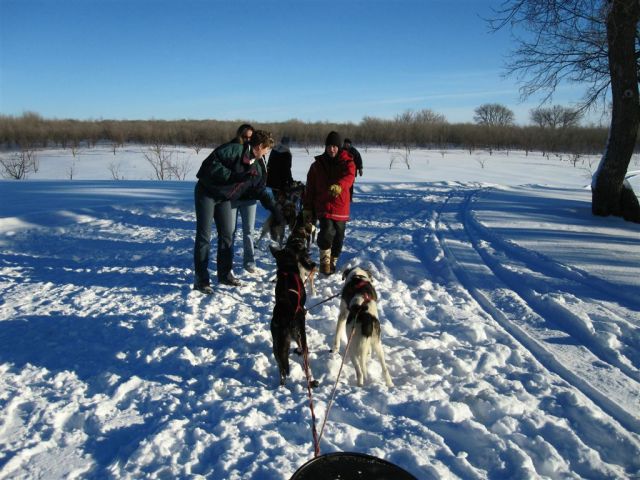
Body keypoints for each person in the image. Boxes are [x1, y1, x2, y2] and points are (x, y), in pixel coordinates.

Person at [193, 129, 281, 293]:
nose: (266, 153)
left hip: (224, 198)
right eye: (266, 149)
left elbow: (260, 190)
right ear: (259, 146)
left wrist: (275, 209)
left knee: (227, 234)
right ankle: (201, 279)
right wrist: (233, 176)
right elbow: (209, 165)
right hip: (206, 192)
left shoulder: (257, 165)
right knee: (204, 235)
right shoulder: (234, 150)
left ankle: (225, 274)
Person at [302, 131, 355, 275]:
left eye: (335, 146)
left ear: (339, 147)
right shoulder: (317, 165)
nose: (332, 149)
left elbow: (349, 177)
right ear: (325, 147)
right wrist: (307, 207)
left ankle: (333, 260)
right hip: (323, 204)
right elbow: (310, 187)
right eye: (329, 146)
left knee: (339, 236)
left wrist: (339, 186)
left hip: (340, 205)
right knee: (327, 231)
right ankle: (324, 261)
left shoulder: (348, 162)